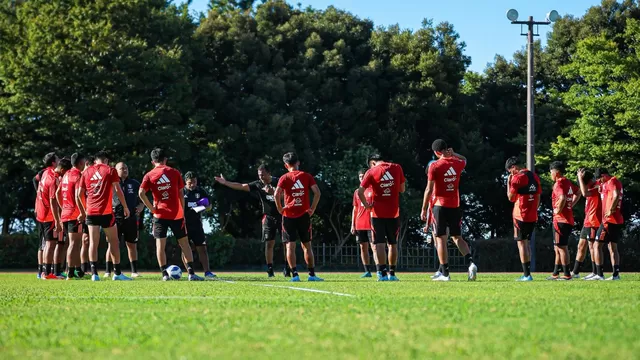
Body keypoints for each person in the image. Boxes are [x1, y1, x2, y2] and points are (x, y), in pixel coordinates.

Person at [215, 165, 292, 277]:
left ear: (269, 173)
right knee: (269, 243)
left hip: (282, 216)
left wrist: (274, 193)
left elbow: (288, 196)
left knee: (286, 243)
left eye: (263, 174)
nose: (261, 177)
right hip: (268, 217)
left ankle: (287, 267)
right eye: (259, 175)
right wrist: (226, 182)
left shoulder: (279, 181)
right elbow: (241, 186)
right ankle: (270, 269)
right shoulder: (258, 184)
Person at [139, 148, 203, 281]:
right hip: (176, 215)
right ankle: (191, 273)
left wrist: (152, 209)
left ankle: (164, 275)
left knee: (160, 246)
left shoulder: (149, 175)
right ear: (165, 159)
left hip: (159, 215)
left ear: (152, 161)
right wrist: (182, 210)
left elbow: (141, 193)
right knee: (184, 244)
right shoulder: (174, 173)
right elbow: (181, 194)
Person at [421, 140, 477, 282]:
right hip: (455, 205)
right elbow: (465, 159)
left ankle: (445, 273)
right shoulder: (457, 163)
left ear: (435, 152)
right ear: (446, 149)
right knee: (457, 237)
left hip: (439, 205)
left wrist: (423, 208)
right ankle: (471, 263)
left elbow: (429, 189)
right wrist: (454, 154)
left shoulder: (435, 166)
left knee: (440, 239)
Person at [76, 151, 132, 281]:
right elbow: (118, 190)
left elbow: (79, 194)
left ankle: (94, 274)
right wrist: (125, 207)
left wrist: (83, 211)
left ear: (95, 160)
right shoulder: (110, 170)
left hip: (91, 212)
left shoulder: (86, 172)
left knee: (93, 243)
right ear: (106, 160)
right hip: (106, 212)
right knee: (114, 242)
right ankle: (117, 273)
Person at [274, 152, 323, 282]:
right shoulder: (306, 176)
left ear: (286, 165)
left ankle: (295, 275)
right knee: (307, 246)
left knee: (290, 246)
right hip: (304, 215)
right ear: (298, 162)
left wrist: (280, 209)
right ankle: (312, 275)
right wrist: (312, 208)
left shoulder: (284, 178)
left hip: (288, 215)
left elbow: (276, 194)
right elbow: (317, 193)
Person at [358, 154, 405, 281]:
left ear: (372, 163)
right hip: (393, 212)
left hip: (377, 213)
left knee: (379, 243)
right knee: (392, 243)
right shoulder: (397, 167)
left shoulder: (371, 171)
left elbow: (360, 191)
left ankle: (382, 273)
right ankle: (392, 273)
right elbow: (402, 189)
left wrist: (367, 205)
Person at [105, 162, 145, 278]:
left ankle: (134, 271)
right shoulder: (111, 184)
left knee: (131, 244)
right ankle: (108, 271)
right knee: (112, 244)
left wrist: (141, 206)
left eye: (126, 168)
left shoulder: (135, 183)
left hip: (131, 218)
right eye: (122, 168)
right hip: (115, 217)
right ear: (116, 170)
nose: (125, 170)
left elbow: (143, 198)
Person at [505, 157, 541, 282]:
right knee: (527, 243)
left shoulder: (517, 178)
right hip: (532, 215)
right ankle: (528, 273)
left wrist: (508, 183)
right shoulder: (534, 176)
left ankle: (526, 275)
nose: (511, 174)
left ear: (514, 167)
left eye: (510, 171)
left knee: (521, 243)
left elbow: (510, 197)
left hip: (520, 215)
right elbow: (538, 195)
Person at [548, 161, 581, 281]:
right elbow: (578, 192)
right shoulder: (567, 182)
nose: (550, 175)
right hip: (567, 219)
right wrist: (570, 205)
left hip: (560, 220)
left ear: (556, 173)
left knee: (562, 247)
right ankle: (555, 273)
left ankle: (567, 274)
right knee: (558, 247)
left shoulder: (558, 184)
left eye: (551, 172)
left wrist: (558, 210)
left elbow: (561, 197)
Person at [590, 168, 623, 281]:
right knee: (612, 247)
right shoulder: (609, 183)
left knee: (596, 245)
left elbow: (616, 194)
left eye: (600, 179)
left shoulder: (612, 181)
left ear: (604, 176)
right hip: (616, 220)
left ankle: (599, 274)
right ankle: (616, 275)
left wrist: (611, 209)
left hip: (609, 220)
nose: (600, 181)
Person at [183, 171, 216, 280]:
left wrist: (205, 206)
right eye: (190, 182)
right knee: (185, 249)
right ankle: (190, 272)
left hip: (197, 224)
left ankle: (207, 272)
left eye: (194, 181)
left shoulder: (201, 191)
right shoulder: (181, 191)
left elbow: (209, 206)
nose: (192, 184)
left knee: (202, 248)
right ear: (185, 182)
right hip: (184, 224)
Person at [56, 155, 84, 279]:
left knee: (74, 243)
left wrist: (63, 207)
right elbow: (78, 196)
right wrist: (82, 212)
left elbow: (58, 193)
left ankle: (77, 271)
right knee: (74, 243)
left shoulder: (66, 174)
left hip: (66, 213)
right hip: (75, 214)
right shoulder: (78, 175)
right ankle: (70, 272)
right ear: (81, 162)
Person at [35, 152, 62, 280]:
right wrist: (57, 220)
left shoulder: (44, 173)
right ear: (53, 163)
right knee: (51, 244)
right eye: (58, 159)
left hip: (41, 214)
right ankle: (47, 273)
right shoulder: (52, 177)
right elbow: (53, 200)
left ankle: (44, 272)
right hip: (49, 215)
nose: (60, 161)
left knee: (45, 244)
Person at [573, 168, 601, 280]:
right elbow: (579, 192)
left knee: (592, 246)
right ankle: (575, 271)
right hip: (587, 221)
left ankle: (595, 272)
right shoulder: (588, 186)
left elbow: (584, 193)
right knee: (581, 246)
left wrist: (580, 177)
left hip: (594, 220)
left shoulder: (596, 186)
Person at [351, 169, 374, 278]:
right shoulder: (357, 192)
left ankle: (380, 269)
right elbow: (355, 209)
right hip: (360, 224)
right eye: (360, 176)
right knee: (363, 247)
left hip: (371, 224)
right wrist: (353, 224)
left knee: (374, 247)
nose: (361, 178)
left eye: (363, 176)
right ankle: (367, 271)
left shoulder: (373, 189)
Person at [79, 156, 94, 277]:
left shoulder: (91, 176)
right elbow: (78, 196)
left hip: (91, 212)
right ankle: (79, 269)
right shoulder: (81, 176)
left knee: (87, 240)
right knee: (83, 241)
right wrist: (82, 211)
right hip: (81, 212)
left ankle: (85, 269)